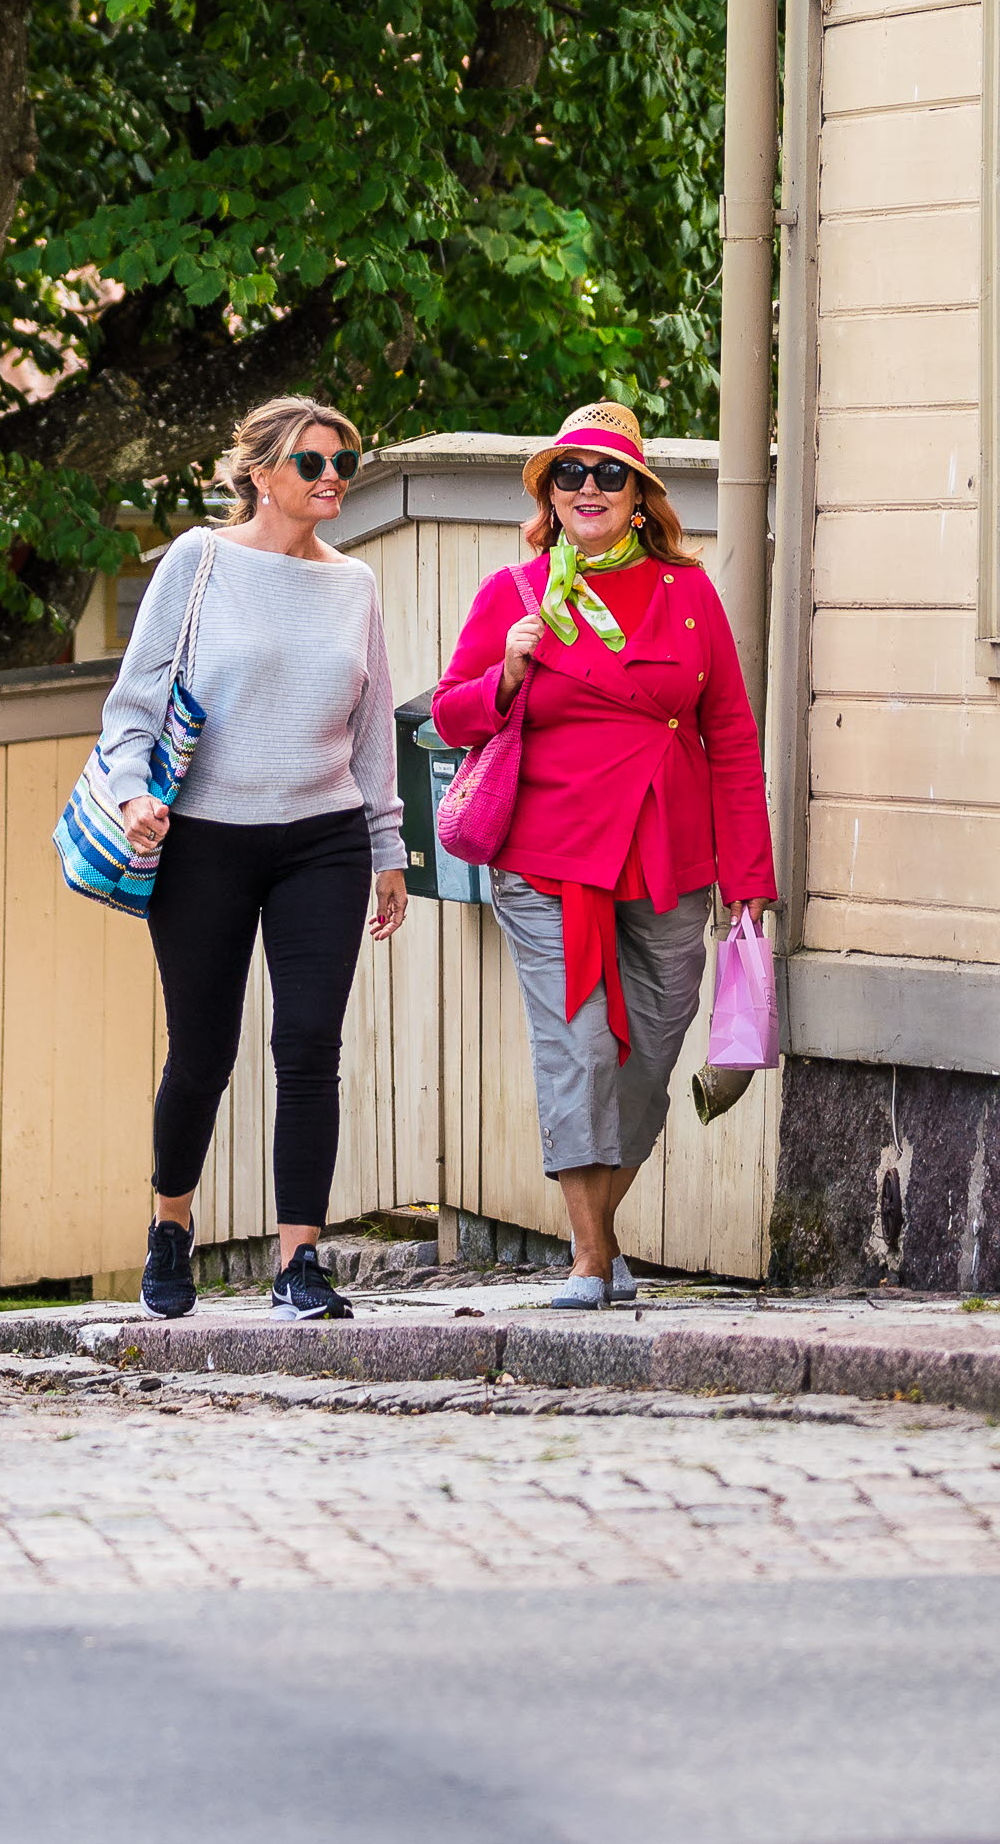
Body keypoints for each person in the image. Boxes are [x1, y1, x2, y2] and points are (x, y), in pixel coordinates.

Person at [429, 403, 778, 1308]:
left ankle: (601, 1233)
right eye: (570, 472)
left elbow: (731, 735)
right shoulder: (513, 594)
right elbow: (450, 716)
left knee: (653, 1047)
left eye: (608, 474)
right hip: (547, 856)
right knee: (580, 1045)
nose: (588, 486)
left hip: (667, 849)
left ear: (639, 499)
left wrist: (749, 879)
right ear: (548, 494)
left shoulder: (688, 595)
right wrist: (507, 670)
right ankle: (590, 1260)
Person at [102, 396, 411, 1322]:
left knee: (310, 1042)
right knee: (203, 1051)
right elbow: (134, 705)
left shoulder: (354, 585)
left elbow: (371, 732)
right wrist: (134, 797)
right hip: (203, 841)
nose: (333, 477)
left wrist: (388, 846)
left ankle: (300, 1262)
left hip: (323, 839)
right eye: (312, 461)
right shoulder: (198, 563)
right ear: (262, 472)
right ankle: (170, 1225)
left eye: (344, 462)